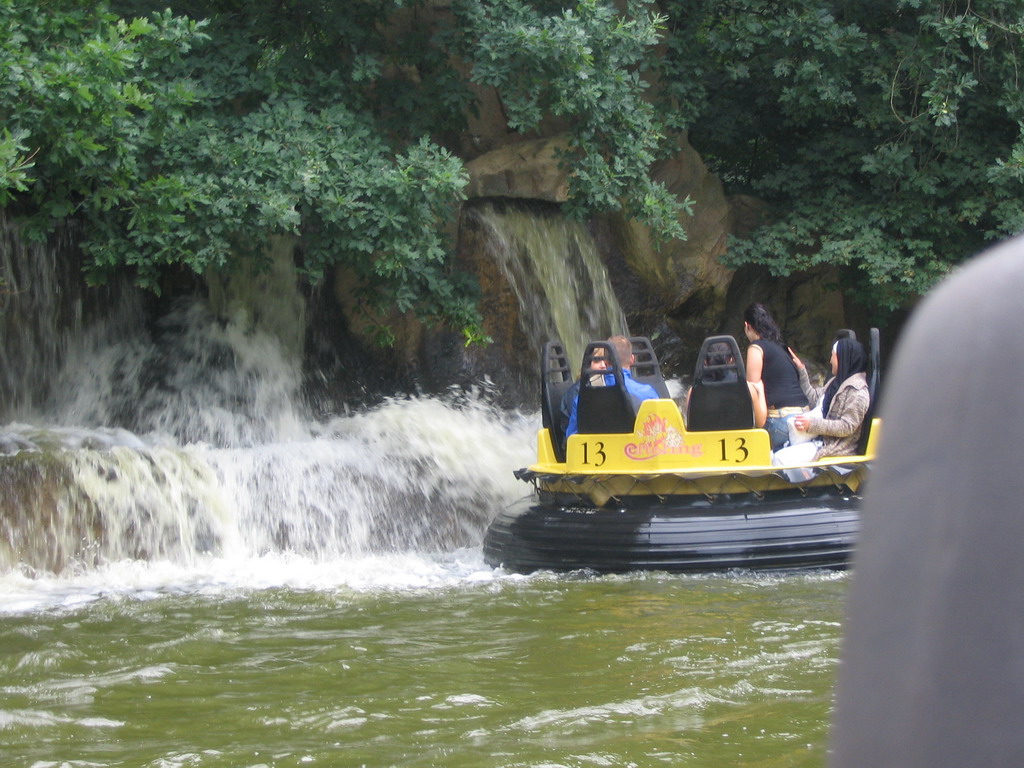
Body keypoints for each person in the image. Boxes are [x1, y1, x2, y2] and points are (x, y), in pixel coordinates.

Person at [772, 336, 870, 465]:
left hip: (832, 446)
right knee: (771, 453)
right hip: (817, 439)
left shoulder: (857, 391)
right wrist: (801, 370)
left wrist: (812, 425)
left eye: (833, 356)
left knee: (779, 459)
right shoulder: (836, 382)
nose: (830, 361)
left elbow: (847, 427)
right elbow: (813, 399)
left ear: (843, 358)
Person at [564, 334, 659, 439]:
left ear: (605, 359)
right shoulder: (648, 394)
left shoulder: (584, 398)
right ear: (632, 359)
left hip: (593, 453)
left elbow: (571, 437)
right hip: (635, 452)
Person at [743, 302, 808, 450]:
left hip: (781, 420)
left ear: (747, 326)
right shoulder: (783, 348)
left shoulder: (756, 347)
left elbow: (752, 390)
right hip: (805, 417)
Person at [684, 340, 767, 428]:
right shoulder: (748, 389)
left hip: (707, 441)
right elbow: (760, 422)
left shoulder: (693, 392)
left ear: (705, 361)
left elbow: (690, 425)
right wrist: (761, 391)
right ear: (731, 360)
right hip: (742, 440)